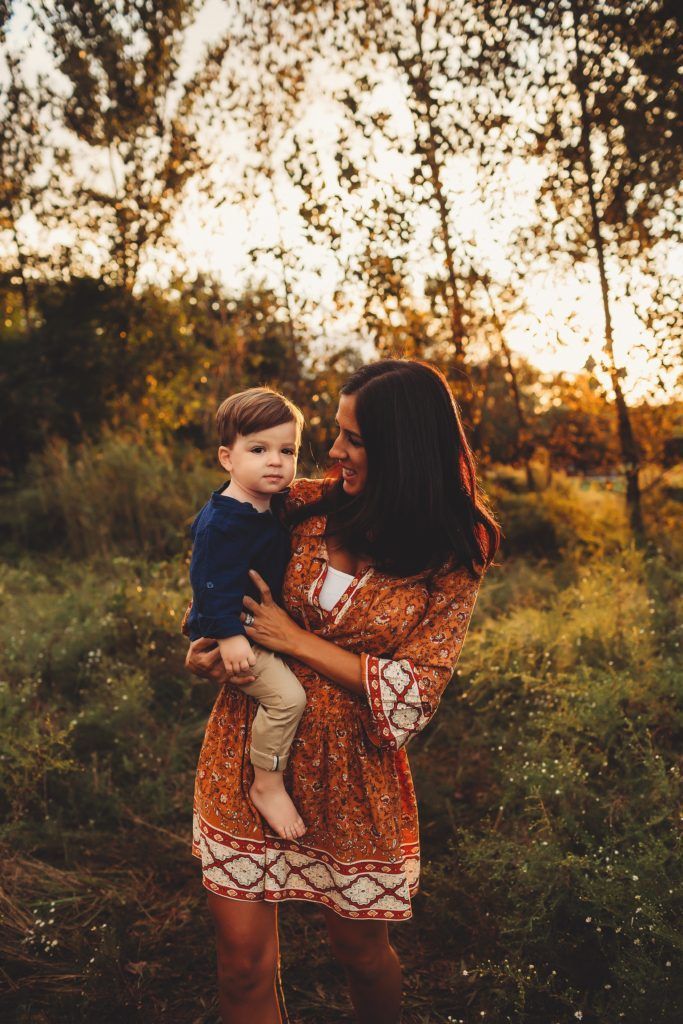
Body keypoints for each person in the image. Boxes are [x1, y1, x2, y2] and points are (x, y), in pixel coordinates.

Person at [185, 359, 501, 1024]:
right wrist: (210, 642)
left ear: (401, 448)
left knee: (358, 952)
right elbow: (218, 557)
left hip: (352, 768)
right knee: (241, 964)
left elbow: (417, 689)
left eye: (352, 439)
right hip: (251, 743)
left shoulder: (453, 548)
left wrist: (294, 640)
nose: (331, 451)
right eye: (334, 434)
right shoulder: (302, 503)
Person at [186, 387, 307, 840]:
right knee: (288, 700)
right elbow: (209, 582)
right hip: (239, 632)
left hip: (250, 626)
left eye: (287, 450)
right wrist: (230, 636)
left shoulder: (267, 503)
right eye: (258, 449)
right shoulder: (224, 521)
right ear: (227, 458)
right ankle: (267, 784)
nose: (275, 461)